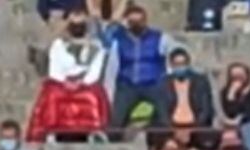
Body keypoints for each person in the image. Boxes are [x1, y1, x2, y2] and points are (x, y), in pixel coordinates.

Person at [27, 9, 108, 141]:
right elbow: (55, 68)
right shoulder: (59, 45)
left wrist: (82, 83)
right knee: (52, 95)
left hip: (85, 84)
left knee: (93, 96)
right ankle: (51, 131)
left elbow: (95, 70)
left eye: (80, 25)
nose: (77, 28)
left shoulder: (96, 46)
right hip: (61, 83)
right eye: (74, 25)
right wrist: (65, 82)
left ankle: (94, 132)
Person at [104, 3, 169, 138]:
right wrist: (109, 91)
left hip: (153, 83)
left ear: (145, 21)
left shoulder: (159, 38)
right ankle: (114, 145)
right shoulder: (119, 40)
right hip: (127, 84)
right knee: (115, 121)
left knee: (165, 116)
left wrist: (167, 80)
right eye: (132, 21)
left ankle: (164, 143)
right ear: (127, 22)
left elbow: (174, 54)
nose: (136, 25)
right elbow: (112, 67)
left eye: (139, 21)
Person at [152, 47, 214, 150]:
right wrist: (174, 130)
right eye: (177, 64)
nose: (180, 67)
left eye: (183, 64)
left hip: (195, 125)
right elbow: (161, 110)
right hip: (172, 125)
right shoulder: (163, 83)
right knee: (158, 136)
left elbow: (206, 108)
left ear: (188, 64)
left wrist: (193, 129)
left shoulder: (201, 81)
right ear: (171, 65)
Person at [218, 61, 250, 150]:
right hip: (232, 125)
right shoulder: (225, 92)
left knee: (247, 128)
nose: (237, 79)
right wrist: (231, 96)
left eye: (240, 75)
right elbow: (230, 113)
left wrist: (241, 119)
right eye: (234, 76)